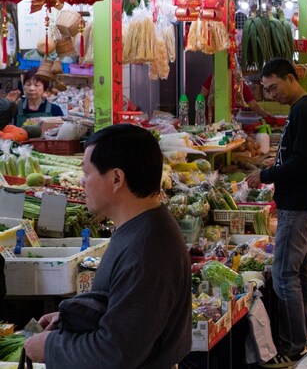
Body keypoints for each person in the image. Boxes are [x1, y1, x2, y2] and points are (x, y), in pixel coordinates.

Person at [24, 124, 191, 367]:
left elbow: (115, 352)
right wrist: (72, 319)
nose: (82, 182)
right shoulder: (139, 227)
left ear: (116, 179)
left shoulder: (146, 251)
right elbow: (130, 314)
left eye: (87, 173)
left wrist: (50, 347)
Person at [245, 58, 307, 368]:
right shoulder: (302, 109)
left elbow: (303, 162)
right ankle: (303, 337)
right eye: (266, 90)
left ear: (291, 79)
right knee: (300, 271)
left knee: (282, 275)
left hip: (299, 205)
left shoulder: (304, 111)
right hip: (304, 200)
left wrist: (268, 174)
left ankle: (293, 346)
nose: (271, 94)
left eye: (274, 87)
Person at [200, 70, 275, 124]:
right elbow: (201, 97)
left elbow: (254, 105)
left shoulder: (241, 85)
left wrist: (266, 115)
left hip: (229, 122)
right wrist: (201, 117)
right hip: (210, 121)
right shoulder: (213, 79)